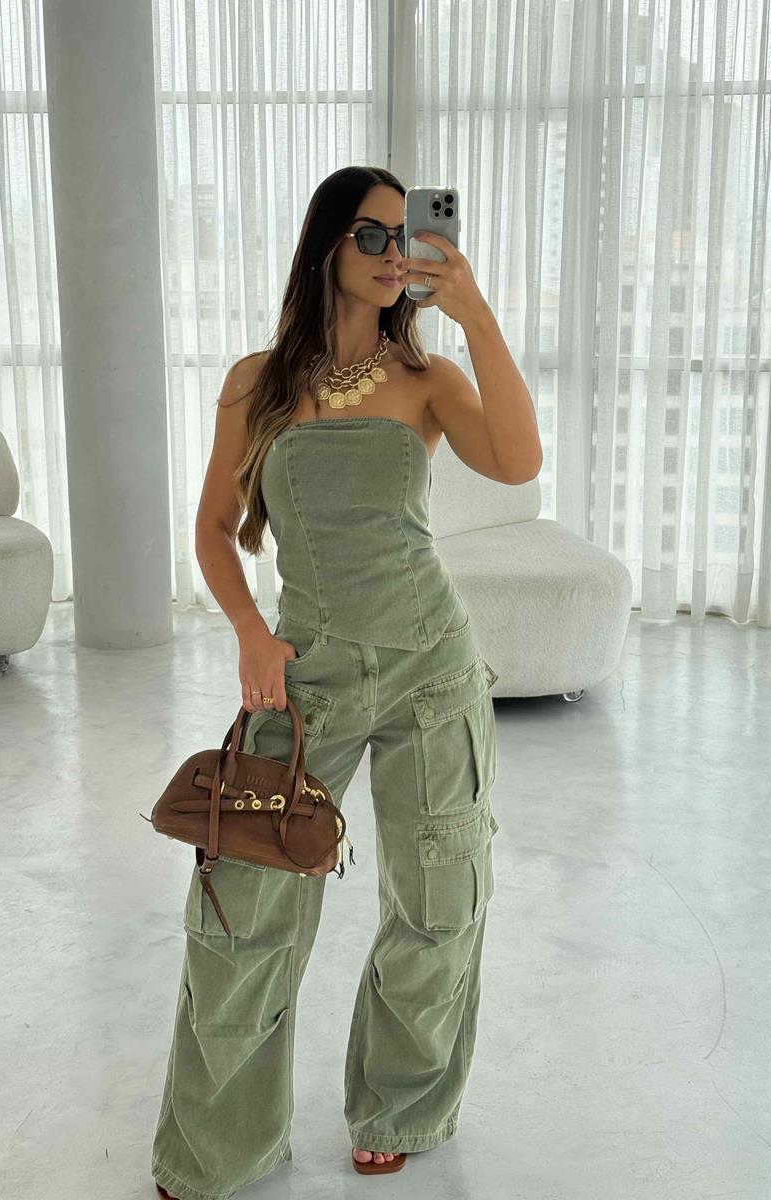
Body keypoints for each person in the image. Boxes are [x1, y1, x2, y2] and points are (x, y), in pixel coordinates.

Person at [150, 165, 517, 1200]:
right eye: (373, 234)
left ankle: (401, 1103)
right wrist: (249, 632)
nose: (395, 254)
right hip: (302, 684)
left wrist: (475, 314)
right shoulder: (257, 382)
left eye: (408, 236)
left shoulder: (428, 379)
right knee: (242, 916)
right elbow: (214, 528)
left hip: (432, 675)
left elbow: (518, 459)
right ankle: (219, 1144)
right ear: (327, 246)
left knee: (438, 905)